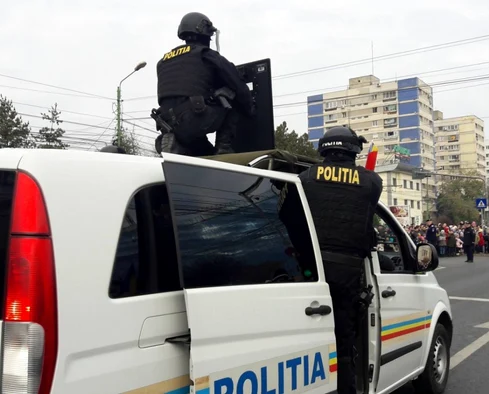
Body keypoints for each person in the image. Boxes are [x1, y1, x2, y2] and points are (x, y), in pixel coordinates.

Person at [277, 126, 382, 394]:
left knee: (308, 335)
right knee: (344, 339)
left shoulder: (305, 178)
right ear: (354, 150)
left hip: (310, 268)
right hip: (348, 272)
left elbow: (288, 218)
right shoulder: (372, 182)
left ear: (324, 149)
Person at [153, 12, 253, 156]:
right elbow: (237, 83)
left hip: (168, 124)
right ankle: (224, 147)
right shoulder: (206, 54)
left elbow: (184, 88)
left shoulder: (163, 61)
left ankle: (176, 144)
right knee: (233, 95)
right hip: (195, 117)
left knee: (205, 152)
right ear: (204, 32)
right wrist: (250, 108)